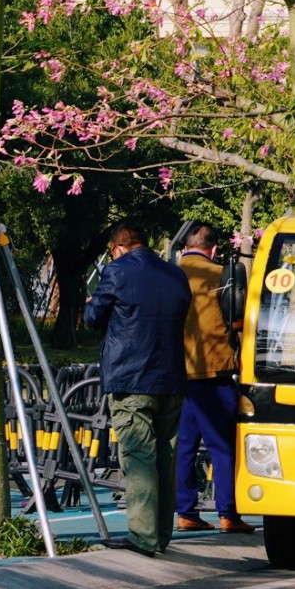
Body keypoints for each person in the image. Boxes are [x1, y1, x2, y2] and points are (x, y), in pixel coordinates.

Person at [85, 224, 190, 558]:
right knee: (165, 455)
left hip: (131, 378)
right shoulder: (176, 275)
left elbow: (93, 318)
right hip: (170, 377)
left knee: (138, 456)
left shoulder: (116, 271)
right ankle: (161, 533)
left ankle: (142, 535)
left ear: (118, 247)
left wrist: (91, 303)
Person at [173, 223, 252, 537]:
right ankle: (228, 513)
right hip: (214, 372)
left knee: (184, 447)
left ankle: (185, 512)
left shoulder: (172, 274)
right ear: (214, 249)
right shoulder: (222, 275)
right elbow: (236, 320)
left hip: (179, 372)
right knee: (223, 447)